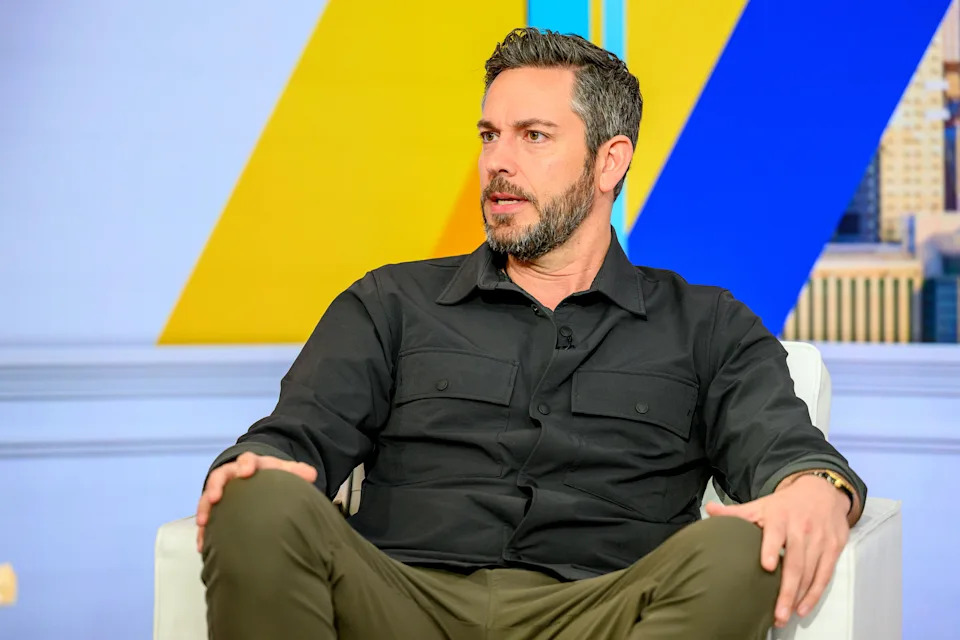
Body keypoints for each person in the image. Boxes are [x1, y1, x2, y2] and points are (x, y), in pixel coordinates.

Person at [196, 28, 866, 640]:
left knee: (739, 549)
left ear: (610, 162)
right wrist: (256, 476)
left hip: (602, 612)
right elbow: (292, 438)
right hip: (401, 603)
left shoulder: (706, 325)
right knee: (255, 497)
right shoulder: (390, 302)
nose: (497, 163)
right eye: (490, 135)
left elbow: (784, 449)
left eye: (533, 136)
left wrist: (815, 488)